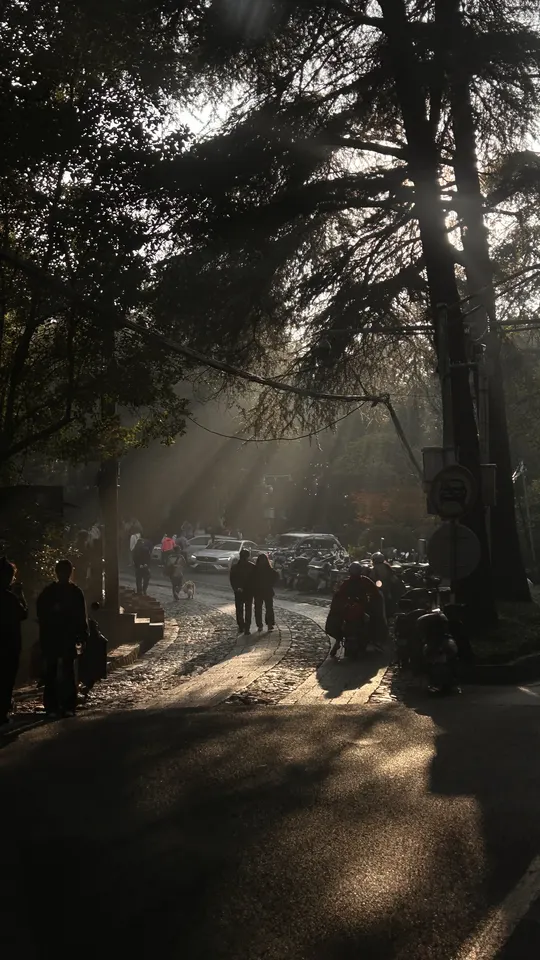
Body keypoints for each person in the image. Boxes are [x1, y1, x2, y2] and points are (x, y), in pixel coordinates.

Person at [36, 559, 88, 717]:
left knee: (60, 671)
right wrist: (83, 634)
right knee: (62, 671)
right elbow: (81, 616)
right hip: (60, 636)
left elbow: (41, 614)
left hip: (59, 636)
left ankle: (58, 706)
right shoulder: (73, 592)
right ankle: (63, 706)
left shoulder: (50, 592)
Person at [326, 561, 385, 658]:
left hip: (362, 607)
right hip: (351, 608)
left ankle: (339, 642)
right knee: (338, 622)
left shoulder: (363, 581)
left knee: (373, 619)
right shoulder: (350, 582)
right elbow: (338, 595)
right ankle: (338, 642)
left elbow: (375, 593)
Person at [0, 557, 28, 724]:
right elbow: (23, 613)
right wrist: (20, 595)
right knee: (6, 679)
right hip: (9, 646)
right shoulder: (10, 598)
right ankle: (2, 712)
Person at [230, 548, 255, 635]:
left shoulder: (235, 567)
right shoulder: (252, 567)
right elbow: (254, 580)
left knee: (239, 609)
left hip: (238, 590)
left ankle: (241, 626)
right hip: (249, 591)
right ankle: (247, 627)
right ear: (248, 556)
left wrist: (236, 588)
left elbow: (232, 579)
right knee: (248, 609)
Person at [253, 554, 279, 633]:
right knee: (266, 608)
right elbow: (276, 576)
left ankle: (262, 625)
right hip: (265, 590)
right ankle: (267, 624)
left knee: (261, 608)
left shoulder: (255, 570)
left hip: (259, 591)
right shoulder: (269, 570)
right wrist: (271, 584)